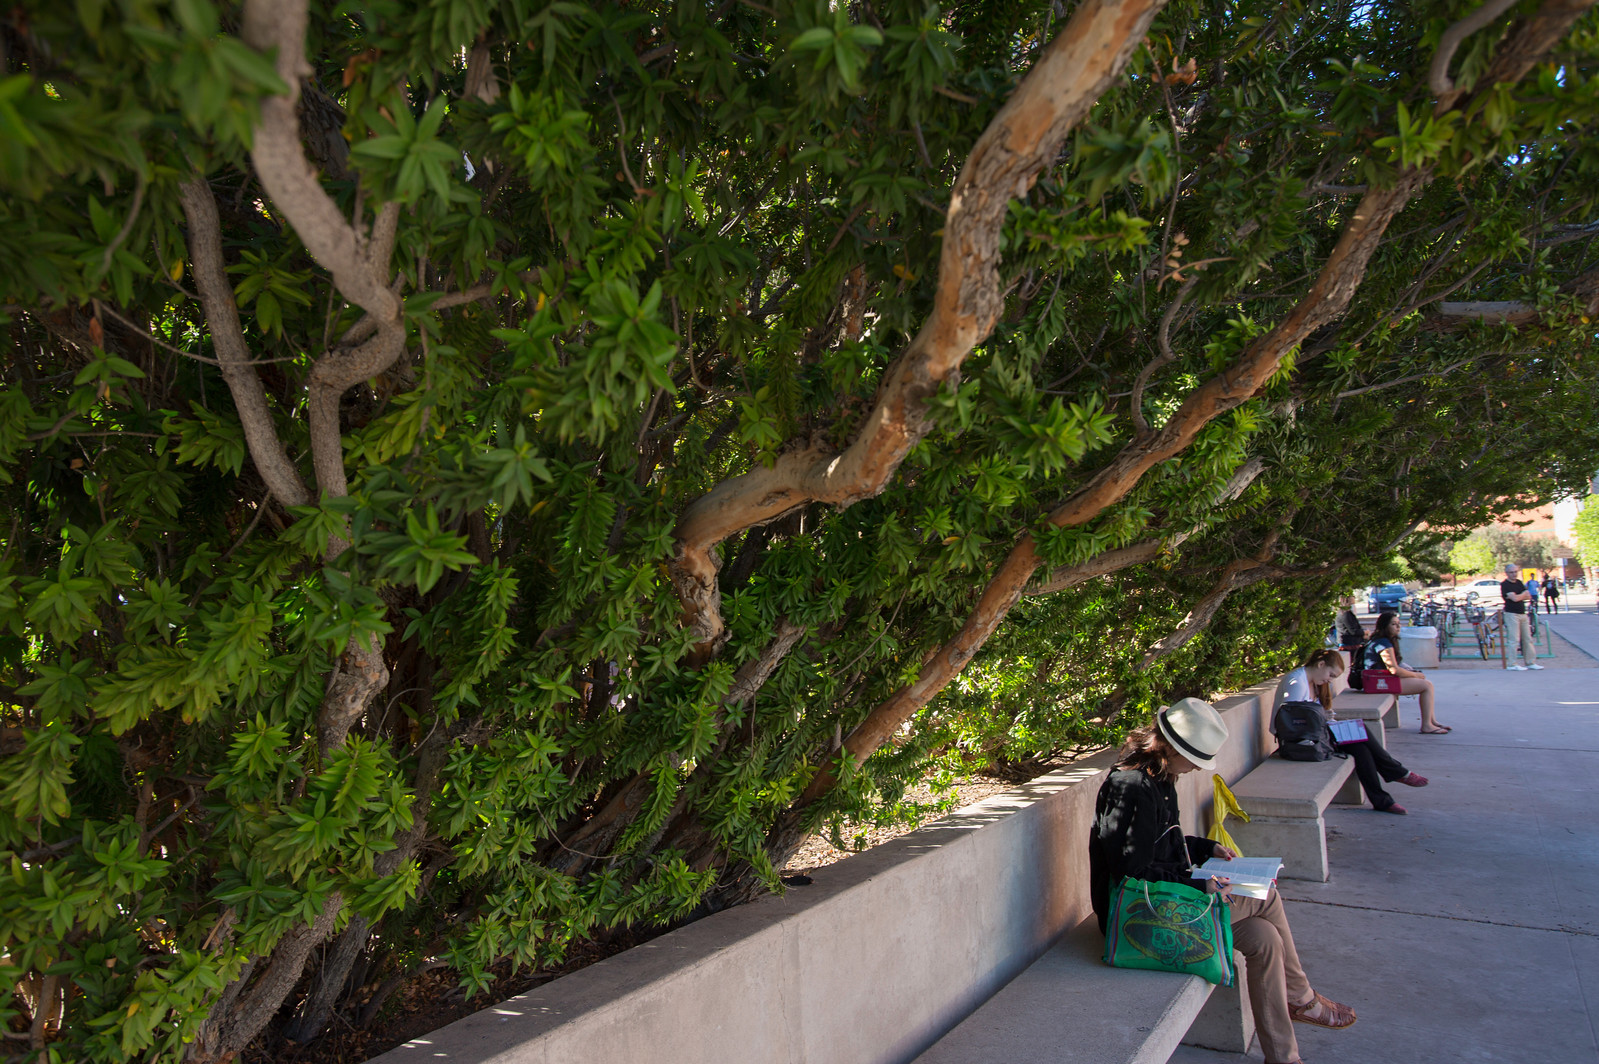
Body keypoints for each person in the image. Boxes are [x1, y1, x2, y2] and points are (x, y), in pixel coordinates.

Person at [1090, 698, 1357, 1064]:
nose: (1198, 768)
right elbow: (1130, 872)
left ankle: (1284, 1057)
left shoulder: (1161, 776)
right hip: (1135, 919)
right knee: (1266, 899)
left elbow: (1159, 847)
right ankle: (1302, 998)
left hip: (1167, 903)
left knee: (1266, 939)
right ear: (1171, 747)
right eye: (1195, 759)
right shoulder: (1132, 787)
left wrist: (1206, 848)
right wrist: (1200, 885)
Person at [1278, 649, 1427, 814]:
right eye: (1331, 675)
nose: (1330, 679)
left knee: (1361, 747)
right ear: (1320, 664)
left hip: (1315, 736)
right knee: (1359, 732)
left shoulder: (1314, 682)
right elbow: (1293, 723)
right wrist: (1324, 721)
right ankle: (1395, 773)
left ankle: (1384, 799)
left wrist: (1327, 719)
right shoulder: (1296, 682)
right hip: (1301, 743)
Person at [1364, 611, 1454, 730]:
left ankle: (1432, 721)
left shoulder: (1382, 640)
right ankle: (1427, 725)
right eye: (1393, 624)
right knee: (1426, 686)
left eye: (1398, 623)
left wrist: (1412, 673)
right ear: (1384, 626)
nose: (1398, 627)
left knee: (1427, 684)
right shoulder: (1383, 643)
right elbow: (1394, 670)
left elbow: (1396, 666)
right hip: (1378, 682)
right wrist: (1415, 675)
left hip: (1378, 680)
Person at [1499, 564, 1541, 671]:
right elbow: (1514, 598)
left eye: (1515, 572)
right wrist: (1520, 596)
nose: (1514, 574)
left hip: (1522, 613)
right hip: (1511, 613)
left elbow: (1528, 595)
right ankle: (1512, 664)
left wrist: (1519, 596)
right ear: (1507, 573)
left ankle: (1530, 662)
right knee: (1514, 639)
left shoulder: (1519, 583)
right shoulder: (1505, 584)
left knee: (1527, 638)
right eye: (1511, 572)